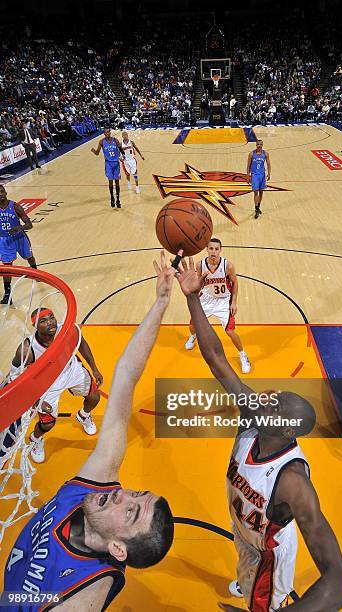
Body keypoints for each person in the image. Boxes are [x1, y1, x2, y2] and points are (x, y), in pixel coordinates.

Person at [176, 257, 342, 612]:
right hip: (245, 531)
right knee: (246, 565)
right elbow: (214, 356)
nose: (266, 398)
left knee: (265, 600)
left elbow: (339, 584)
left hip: (268, 553)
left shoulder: (293, 482)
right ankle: (246, 580)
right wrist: (193, 298)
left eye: (277, 403)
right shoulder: (253, 416)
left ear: (287, 429)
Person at [4, 253, 175, 609]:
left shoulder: (81, 597)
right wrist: (161, 302)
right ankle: (39, 433)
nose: (121, 495)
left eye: (131, 513)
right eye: (137, 494)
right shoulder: (99, 482)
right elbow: (126, 373)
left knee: (89, 397)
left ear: (117, 549)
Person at [9, 308, 103, 463]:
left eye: (51, 317)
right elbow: (14, 378)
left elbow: (82, 344)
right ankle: (35, 439)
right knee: (48, 423)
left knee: (94, 397)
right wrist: (36, 401)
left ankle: (84, 416)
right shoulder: (27, 349)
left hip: (70, 369)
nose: (50, 322)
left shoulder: (68, 330)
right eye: (43, 321)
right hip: (46, 383)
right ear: (35, 326)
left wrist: (94, 368)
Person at [184, 238, 251, 374]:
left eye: (216, 249)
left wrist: (234, 302)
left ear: (220, 250)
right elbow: (199, 283)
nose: (213, 251)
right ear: (206, 249)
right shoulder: (200, 265)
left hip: (223, 300)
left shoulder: (228, 266)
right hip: (206, 299)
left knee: (230, 332)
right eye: (211, 248)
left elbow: (235, 283)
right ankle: (193, 336)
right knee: (192, 326)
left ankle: (243, 355)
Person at [0, 184, 37, 305]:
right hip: (5, 240)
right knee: (7, 266)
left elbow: (29, 225)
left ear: (6, 192)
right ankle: (7, 295)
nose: (0, 195)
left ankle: (36, 273)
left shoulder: (15, 207)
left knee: (29, 257)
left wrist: (19, 228)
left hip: (19, 237)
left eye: (1, 192)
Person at [91, 127, 125, 208]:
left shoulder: (115, 140)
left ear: (110, 133)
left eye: (108, 132)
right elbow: (97, 153)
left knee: (117, 182)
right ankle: (112, 198)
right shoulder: (101, 142)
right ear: (104, 133)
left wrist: (123, 157)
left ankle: (118, 200)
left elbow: (121, 150)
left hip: (116, 163)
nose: (106, 134)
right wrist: (93, 151)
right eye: (105, 132)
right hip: (108, 164)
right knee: (110, 182)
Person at [246, 140, 271, 219]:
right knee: (255, 192)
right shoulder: (251, 154)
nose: (259, 145)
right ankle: (256, 209)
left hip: (262, 175)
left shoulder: (265, 154)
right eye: (258, 144)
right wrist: (248, 176)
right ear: (256, 145)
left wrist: (269, 173)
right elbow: (248, 166)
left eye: (260, 144)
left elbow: (268, 164)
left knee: (261, 192)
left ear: (262, 145)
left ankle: (258, 206)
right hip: (254, 175)